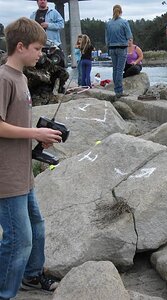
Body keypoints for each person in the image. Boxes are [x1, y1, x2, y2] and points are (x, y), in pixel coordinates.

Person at [0, 17, 62, 300]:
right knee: (18, 240)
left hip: (24, 171)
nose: (41, 54)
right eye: (37, 49)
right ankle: (4, 292)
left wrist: (37, 136)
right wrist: (34, 130)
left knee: (36, 225)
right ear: (20, 46)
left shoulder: (22, 77)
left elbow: (16, 124)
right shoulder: (3, 78)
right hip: (7, 175)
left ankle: (32, 276)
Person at [105, 4, 133, 98]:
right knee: (120, 71)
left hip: (112, 48)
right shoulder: (124, 22)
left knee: (115, 69)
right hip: (121, 48)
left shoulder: (108, 23)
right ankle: (119, 91)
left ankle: (116, 90)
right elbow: (129, 36)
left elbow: (107, 38)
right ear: (121, 11)